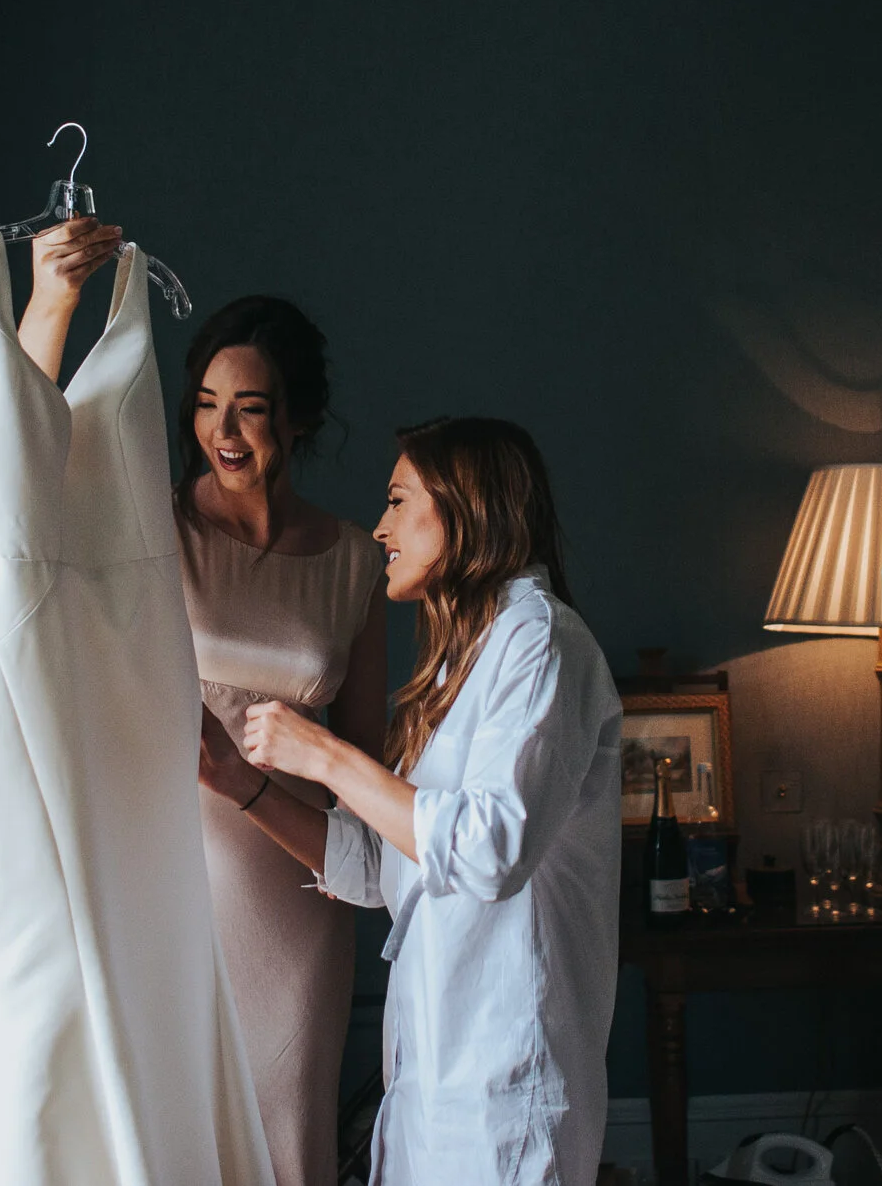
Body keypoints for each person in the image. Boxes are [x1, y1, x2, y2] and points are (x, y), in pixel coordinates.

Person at [17, 267, 388, 1186]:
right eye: (208, 404)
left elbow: (364, 759)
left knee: (287, 1129)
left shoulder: (351, 559)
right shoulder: (152, 529)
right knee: (166, 1130)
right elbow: (25, 471)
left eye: (251, 408)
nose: (222, 431)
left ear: (299, 418)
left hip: (300, 892)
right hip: (164, 874)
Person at [197, 417, 622, 1186]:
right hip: (434, 1080)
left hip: (506, 1077)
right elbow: (380, 863)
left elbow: (489, 848)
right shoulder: (465, 661)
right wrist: (244, 783)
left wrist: (323, 754)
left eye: (398, 501)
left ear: (464, 510)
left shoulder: (542, 644)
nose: (381, 527)